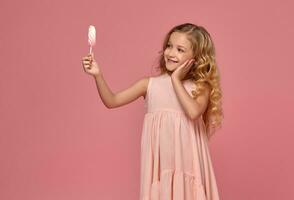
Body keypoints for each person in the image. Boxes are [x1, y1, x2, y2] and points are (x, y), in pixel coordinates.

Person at [82, 22, 223, 200]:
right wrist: (97, 75)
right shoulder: (149, 85)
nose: (171, 53)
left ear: (196, 57)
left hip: (189, 168)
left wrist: (176, 81)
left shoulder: (201, 87)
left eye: (180, 49)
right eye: (169, 46)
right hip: (160, 169)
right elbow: (112, 101)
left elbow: (193, 112)